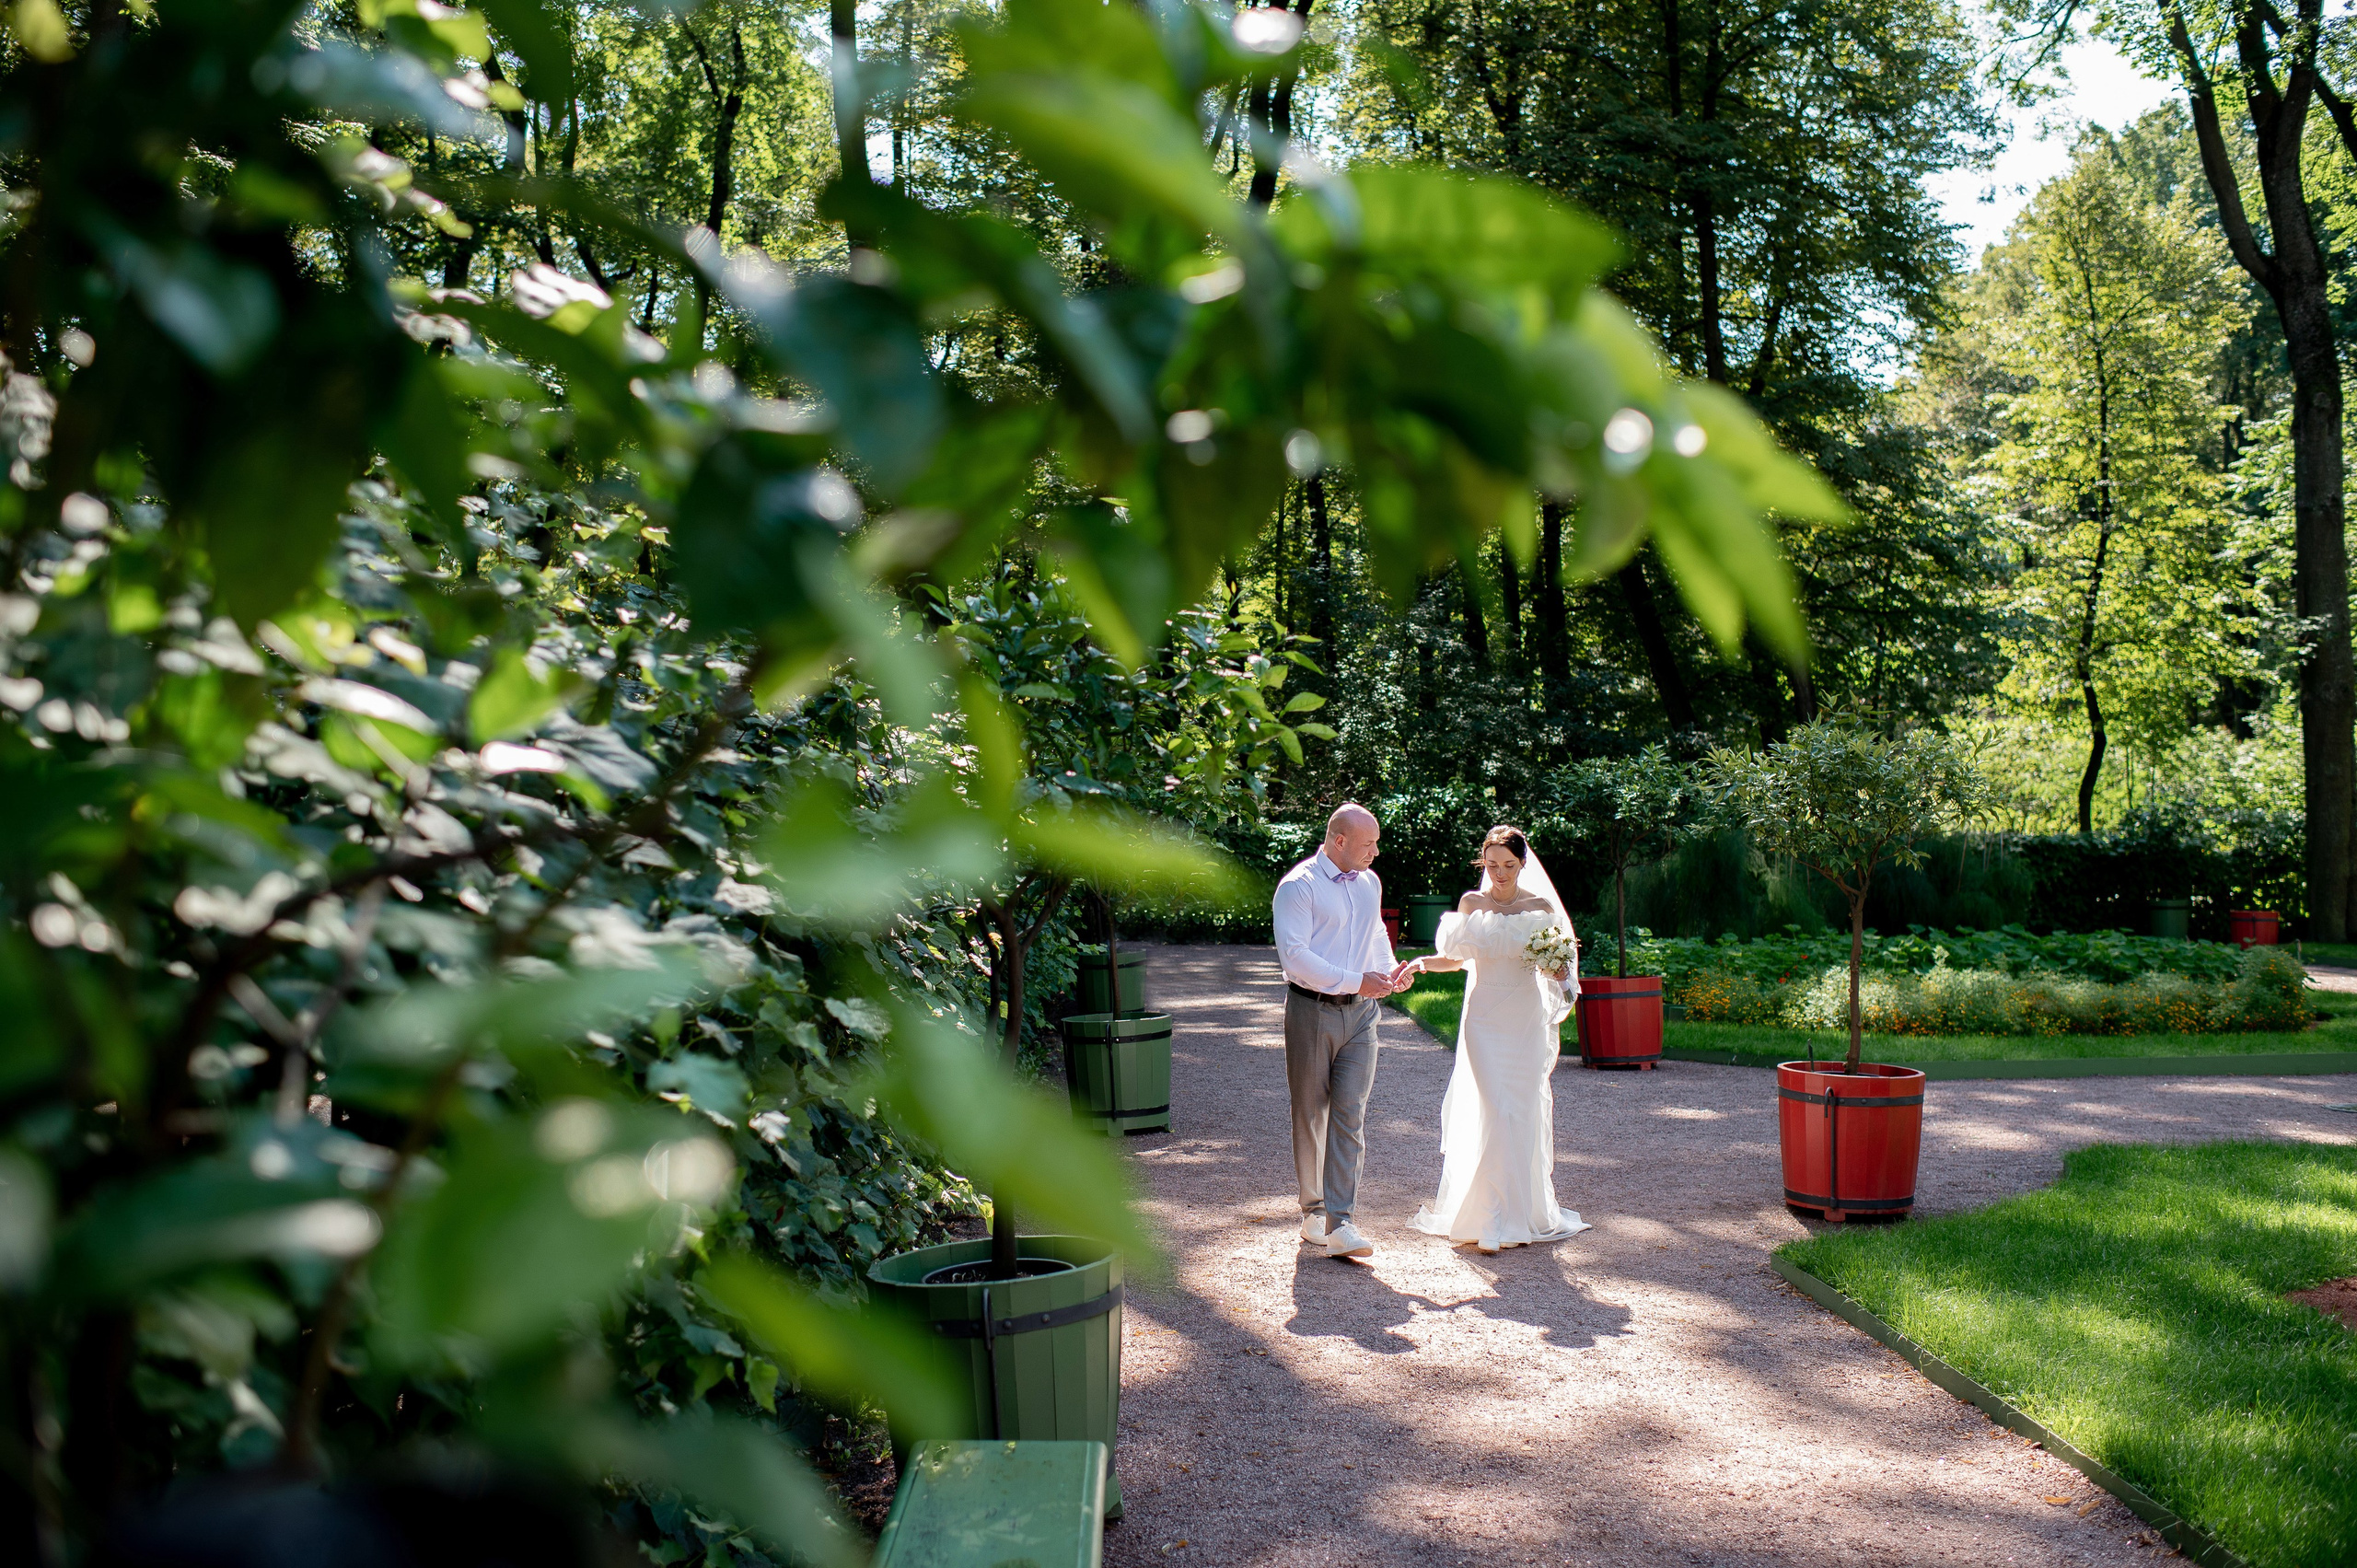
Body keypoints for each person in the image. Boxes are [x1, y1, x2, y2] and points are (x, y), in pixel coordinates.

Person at [1391, 826, 1591, 1254]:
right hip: (1483, 1019)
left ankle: (1518, 1213)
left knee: (1518, 1110)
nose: (1500, 873)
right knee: (1494, 1109)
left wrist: (1560, 973)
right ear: (1483, 863)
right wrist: (1421, 963)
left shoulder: (1539, 909)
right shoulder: (1471, 904)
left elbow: (1557, 970)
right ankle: (1489, 1217)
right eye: (1492, 864)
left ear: (1522, 864)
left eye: (1509, 865)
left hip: (1524, 1019)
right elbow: (1455, 959)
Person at [1271, 802, 1399, 1260]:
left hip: (1362, 1015)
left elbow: (1375, 934)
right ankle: (1313, 1211)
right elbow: (1295, 957)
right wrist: (1355, 979)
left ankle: (1341, 1221)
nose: (1375, 852)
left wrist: (1387, 971)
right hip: (1311, 1011)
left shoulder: (1369, 883)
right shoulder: (1298, 887)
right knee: (1310, 1113)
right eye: (1369, 844)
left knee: (1350, 1113)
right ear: (1339, 841)